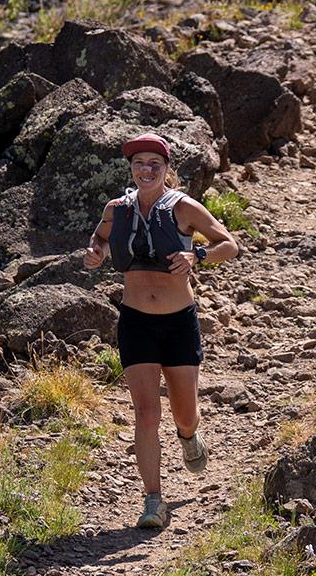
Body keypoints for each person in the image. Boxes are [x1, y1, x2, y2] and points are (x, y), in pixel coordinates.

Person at [83, 133, 240, 529]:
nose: (146, 170)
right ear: (131, 169)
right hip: (136, 320)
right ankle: (153, 501)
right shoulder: (117, 209)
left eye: (155, 163)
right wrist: (95, 255)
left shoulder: (184, 207)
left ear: (167, 169)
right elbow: (99, 240)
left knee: (184, 414)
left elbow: (230, 245)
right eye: (139, 163)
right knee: (147, 412)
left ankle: (189, 438)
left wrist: (197, 254)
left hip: (178, 322)